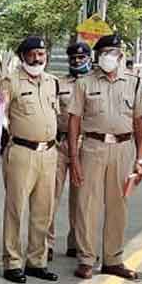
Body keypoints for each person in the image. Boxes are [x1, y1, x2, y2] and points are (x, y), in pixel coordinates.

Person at [69, 34, 142, 280]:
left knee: (118, 205)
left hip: (123, 149)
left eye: (113, 52)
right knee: (87, 204)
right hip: (92, 147)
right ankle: (86, 259)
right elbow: (74, 121)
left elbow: (139, 122)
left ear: (120, 55)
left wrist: (140, 158)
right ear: (97, 56)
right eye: (104, 53)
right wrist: (74, 158)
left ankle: (113, 259)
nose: (108, 57)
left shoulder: (133, 83)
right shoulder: (85, 83)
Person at [0, 36, 59, 284]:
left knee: (44, 210)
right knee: (16, 209)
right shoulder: (10, 81)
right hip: (21, 152)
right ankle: (12, 262)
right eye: (32, 54)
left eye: (41, 54)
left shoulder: (52, 82)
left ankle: (37, 261)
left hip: (50, 153)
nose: (37, 58)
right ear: (22, 56)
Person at [48, 42, 91, 261]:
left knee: (81, 197)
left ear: (89, 58)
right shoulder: (59, 83)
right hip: (60, 143)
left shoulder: (95, 83)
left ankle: (76, 242)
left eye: (81, 58)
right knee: (50, 195)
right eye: (73, 58)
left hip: (85, 145)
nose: (77, 61)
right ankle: (46, 243)